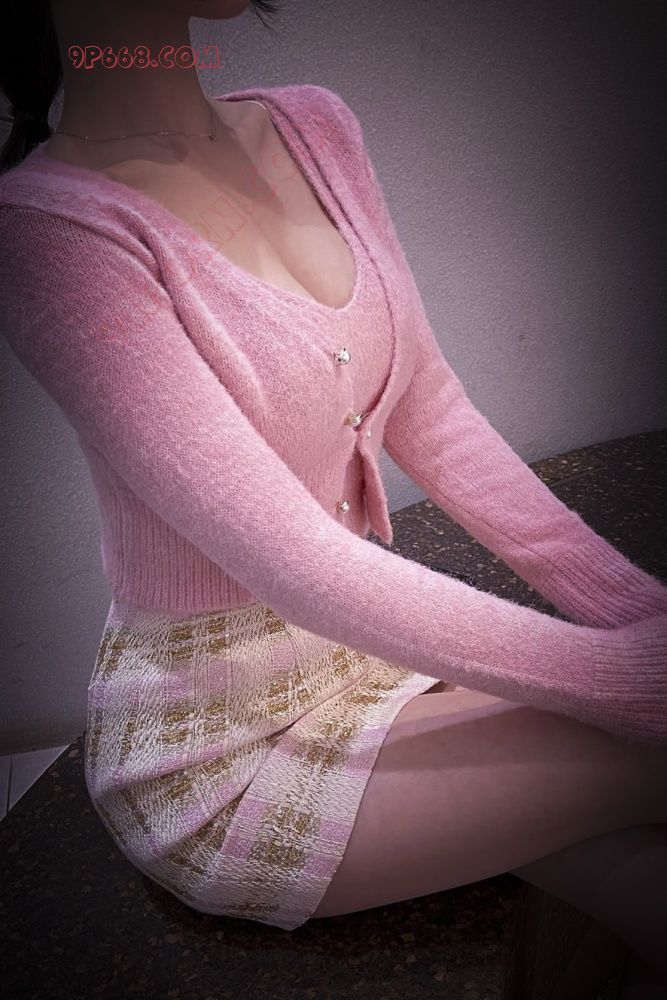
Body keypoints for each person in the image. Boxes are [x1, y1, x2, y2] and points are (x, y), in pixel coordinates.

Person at [0, 2, 665, 994]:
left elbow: (433, 411)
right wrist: (627, 677)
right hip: (217, 758)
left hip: (366, 672)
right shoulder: (51, 233)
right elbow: (295, 562)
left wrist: (639, 619)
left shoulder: (311, 127)